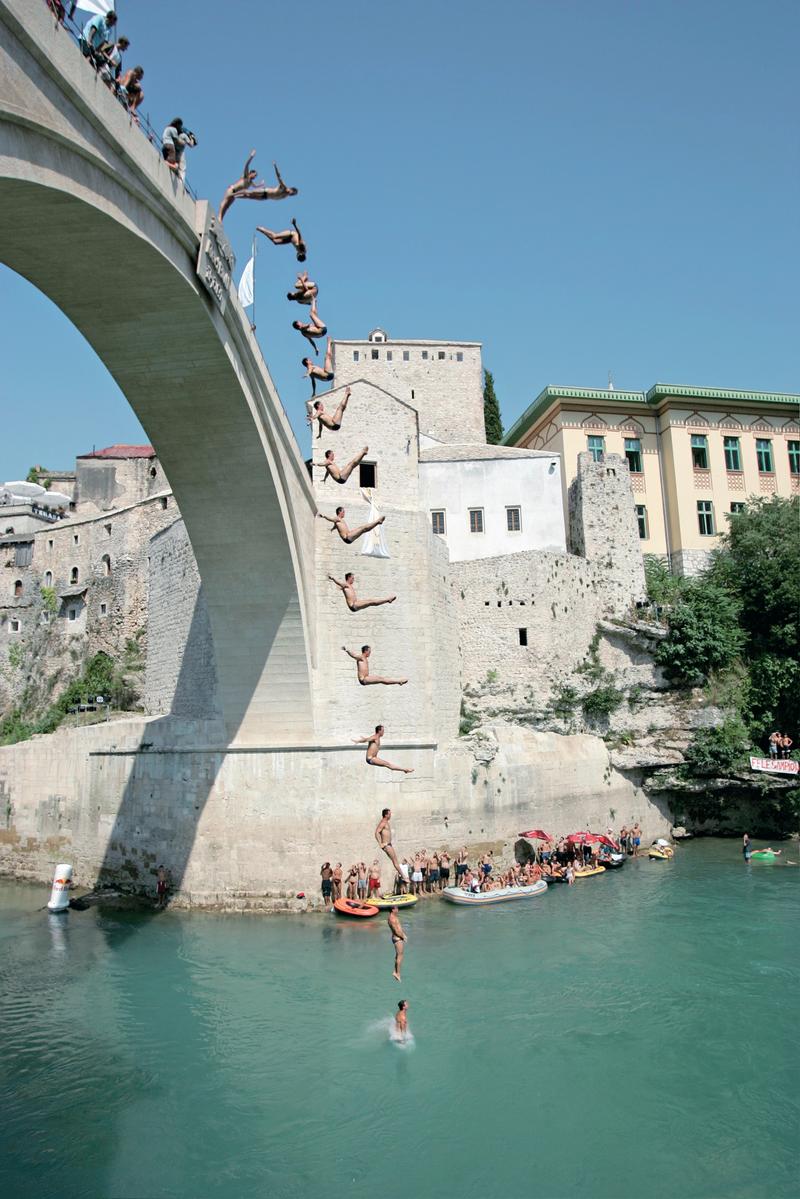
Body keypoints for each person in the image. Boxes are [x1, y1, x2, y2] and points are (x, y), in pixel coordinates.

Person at [220, 160, 298, 219]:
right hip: (265, 191)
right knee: (251, 192)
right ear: (291, 190)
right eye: (291, 193)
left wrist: (260, 184)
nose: (290, 194)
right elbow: (279, 176)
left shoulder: (285, 196)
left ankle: (235, 196)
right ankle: (233, 194)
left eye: (291, 195)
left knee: (249, 197)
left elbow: (255, 185)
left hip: (266, 197)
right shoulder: (284, 187)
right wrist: (275, 166)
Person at [329, 572, 396, 613]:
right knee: (371, 602)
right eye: (352, 578)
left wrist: (341, 589)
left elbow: (342, 588)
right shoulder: (346, 584)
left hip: (356, 604)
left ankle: (387, 600)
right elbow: (339, 583)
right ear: (349, 577)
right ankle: (388, 599)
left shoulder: (348, 586)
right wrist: (333, 579)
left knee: (371, 601)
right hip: (353, 605)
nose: (353, 580)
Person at [342, 645, 408, 686]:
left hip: (366, 678)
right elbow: (353, 655)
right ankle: (399, 681)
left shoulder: (364, 658)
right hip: (364, 679)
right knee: (381, 679)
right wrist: (347, 650)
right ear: (366, 651)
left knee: (381, 679)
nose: (370, 653)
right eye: (369, 651)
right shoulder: (361, 657)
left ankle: (398, 681)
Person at [318, 504, 384, 544]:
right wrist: (324, 516)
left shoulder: (339, 521)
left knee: (363, 529)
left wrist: (332, 529)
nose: (344, 513)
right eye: (343, 512)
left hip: (349, 536)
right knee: (363, 528)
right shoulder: (337, 518)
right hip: (347, 537)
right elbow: (331, 519)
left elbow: (336, 526)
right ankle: (377, 522)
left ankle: (377, 522)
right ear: (339, 512)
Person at [388, 907, 407, 982]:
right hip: (397, 938)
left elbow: (399, 928)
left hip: (398, 937)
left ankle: (395, 971)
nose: (398, 909)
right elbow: (396, 931)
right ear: (393, 910)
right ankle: (397, 973)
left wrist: (403, 934)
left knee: (398, 955)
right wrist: (403, 937)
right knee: (400, 956)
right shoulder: (392, 919)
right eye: (396, 908)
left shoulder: (393, 917)